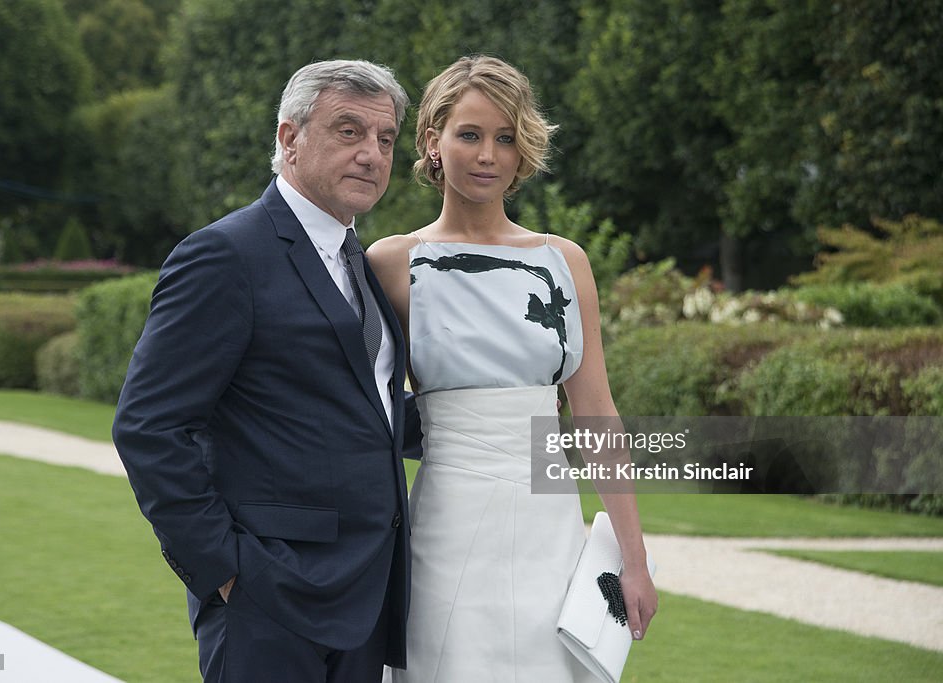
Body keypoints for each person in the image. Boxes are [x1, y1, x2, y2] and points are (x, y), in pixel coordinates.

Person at [112, 60, 422, 683]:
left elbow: (363, 410)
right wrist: (226, 572)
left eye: (385, 139)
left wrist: (503, 416)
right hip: (268, 598)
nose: (371, 154)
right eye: (348, 131)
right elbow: (149, 426)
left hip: (367, 594)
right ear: (288, 138)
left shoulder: (358, 261)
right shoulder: (224, 254)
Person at [367, 55, 658, 682]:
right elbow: (366, 407)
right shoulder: (390, 263)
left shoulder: (565, 261)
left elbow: (596, 412)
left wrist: (634, 560)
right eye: (469, 134)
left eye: (506, 138)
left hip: (551, 523)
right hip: (446, 518)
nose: (488, 155)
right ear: (432, 141)